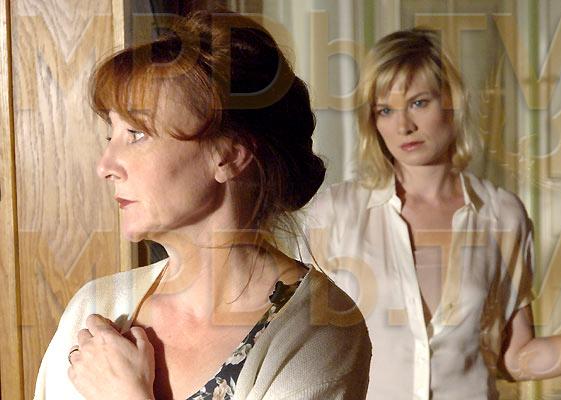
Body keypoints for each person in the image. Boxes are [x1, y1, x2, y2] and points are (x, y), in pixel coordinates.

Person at [34, 10, 371, 400]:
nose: (105, 166)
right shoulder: (94, 309)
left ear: (228, 155)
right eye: (111, 136)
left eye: (136, 134)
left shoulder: (320, 330)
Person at [300, 28, 561, 399]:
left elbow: (517, 358)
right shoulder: (335, 214)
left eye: (419, 103)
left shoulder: (503, 216)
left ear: (451, 102)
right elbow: (301, 346)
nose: (404, 126)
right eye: (386, 110)